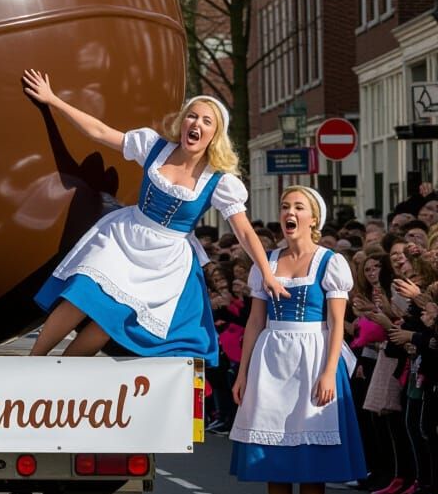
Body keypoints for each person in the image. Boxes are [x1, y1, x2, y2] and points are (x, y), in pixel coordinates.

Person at [22, 71, 288, 362]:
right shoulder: (154, 146)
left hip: (164, 259)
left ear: (215, 136)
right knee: (81, 294)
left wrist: (267, 274)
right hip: (125, 236)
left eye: (206, 121)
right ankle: (34, 363)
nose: (196, 123)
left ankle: (58, 375)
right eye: (192, 116)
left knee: (108, 321)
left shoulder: (220, 182)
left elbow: (246, 232)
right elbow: (99, 131)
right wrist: (52, 100)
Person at [230, 186, 367, 494]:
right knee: (276, 458)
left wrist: (328, 372)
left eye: (298, 207)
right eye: (285, 206)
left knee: (310, 462)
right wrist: (242, 373)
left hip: (313, 354)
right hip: (272, 358)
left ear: (313, 219)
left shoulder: (329, 262)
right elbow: (255, 321)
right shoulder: (266, 261)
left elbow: (336, 323)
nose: (289, 212)